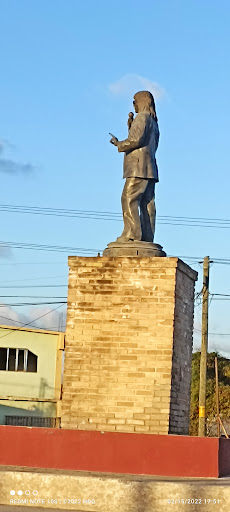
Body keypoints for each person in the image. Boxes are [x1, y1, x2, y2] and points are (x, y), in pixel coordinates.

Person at [110, 90, 159, 243]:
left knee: (128, 198)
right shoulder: (154, 122)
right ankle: (147, 237)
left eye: (135, 101)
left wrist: (119, 144)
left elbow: (136, 140)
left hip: (138, 167)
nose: (134, 105)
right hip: (150, 167)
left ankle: (131, 234)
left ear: (142, 101)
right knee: (147, 203)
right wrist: (131, 128)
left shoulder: (142, 118)